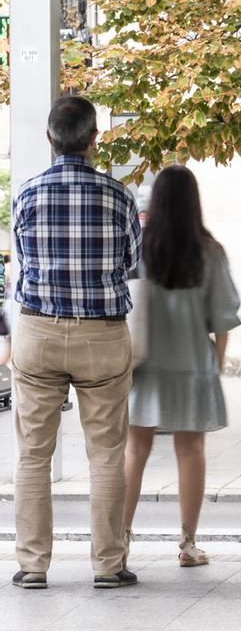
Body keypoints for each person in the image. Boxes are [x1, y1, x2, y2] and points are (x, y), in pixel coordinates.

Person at [9, 95, 142, 590]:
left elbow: (22, 258)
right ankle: (108, 565)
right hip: (102, 335)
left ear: (50, 139)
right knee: (107, 452)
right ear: (93, 140)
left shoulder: (26, 195)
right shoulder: (119, 195)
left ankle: (32, 566)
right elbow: (131, 260)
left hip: (38, 332)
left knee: (32, 454)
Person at [122, 165, 241, 568]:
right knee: (191, 451)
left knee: (134, 450)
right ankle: (188, 545)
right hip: (192, 366)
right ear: (194, 201)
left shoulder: (139, 248)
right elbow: (223, 318)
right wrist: (217, 366)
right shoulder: (210, 251)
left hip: (145, 367)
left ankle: (118, 541)